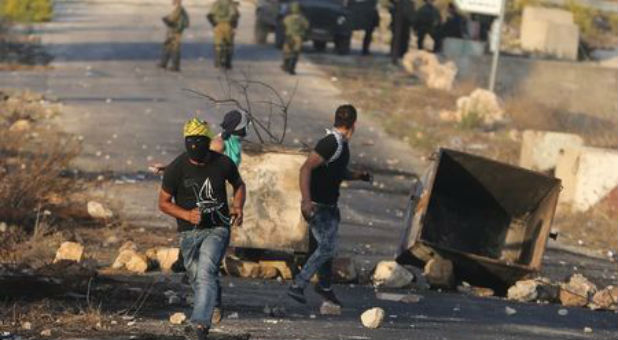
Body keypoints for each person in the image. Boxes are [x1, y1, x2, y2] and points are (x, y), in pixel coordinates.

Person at [159, 118, 246, 340]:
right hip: (188, 232)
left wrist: (237, 206)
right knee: (197, 275)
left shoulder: (223, 163)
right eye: (191, 143)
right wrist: (186, 214)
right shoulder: (176, 168)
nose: (195, 148)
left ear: (208, 142)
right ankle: (213, 301)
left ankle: (199, 324)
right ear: (186, 143)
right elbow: (164, 203)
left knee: (206, 271)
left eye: (200, 142)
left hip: (217, 228)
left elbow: (239, 185)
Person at [287, 105, 372, 306]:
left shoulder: (341, 144)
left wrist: (358, 176)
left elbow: (336, 171)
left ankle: (325, 287)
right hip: (318, 206)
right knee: (327, 247)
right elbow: (306, 168)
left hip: (329, 206)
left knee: (326, 246)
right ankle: (298, 284)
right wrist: (306, 201)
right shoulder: (330, 143)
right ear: (354, 124)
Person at [207, 0, 240, 70]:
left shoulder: (216, 4)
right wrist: (234, 26)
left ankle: (218, 62)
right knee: (229, 45)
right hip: (228, 25)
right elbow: (235, 16)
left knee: (218, 45)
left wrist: (214, 24)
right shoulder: (231, 4)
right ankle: (228, 63)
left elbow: (209, 15)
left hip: (218, 25)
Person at [159, 0, 190, 72]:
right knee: (168, 45)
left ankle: (175, 66)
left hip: (176, 31)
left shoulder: (179, 9)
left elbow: (173, 19)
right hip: (173, 30)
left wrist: (166, 19)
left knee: (175, 47)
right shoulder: (178, 9)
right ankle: (164, 63)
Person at [281, 2, 309, 75]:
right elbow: (307, 26)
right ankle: (292, 69)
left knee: (287, 52)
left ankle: (285, 66)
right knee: (295, 53)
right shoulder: (302, 19)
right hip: (298, 38)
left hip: (289, 37)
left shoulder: (288, 18)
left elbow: (283, 24)